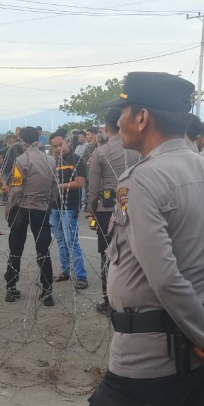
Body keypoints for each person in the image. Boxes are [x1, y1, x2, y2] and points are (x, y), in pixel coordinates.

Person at [88, 72, 204, 406]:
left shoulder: (140, 181)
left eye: (122, 111)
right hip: (199, 356)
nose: (117, 121)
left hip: (146, 361)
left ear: (142, 117)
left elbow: (164, 278)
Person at [88, 108, 140, 316]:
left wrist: (91, 210)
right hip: (134, 205)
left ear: (107, 127)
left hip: (107, 209)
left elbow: (93, 188)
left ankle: (109, 300)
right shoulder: (138, 150)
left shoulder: (100, 152)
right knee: (136, 253)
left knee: (107, 256)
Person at [4, 126, 58, 305]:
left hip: (22, 208)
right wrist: (47, 203)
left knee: (15, 250)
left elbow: (16, 188)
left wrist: (9, 209)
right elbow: (54, 189)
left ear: (22, 141)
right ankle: (47, 292)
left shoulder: (21, 160)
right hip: (41, 210)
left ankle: (11, 288)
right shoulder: (50, 160)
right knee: (43, 251)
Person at [48, 129, 88, 290]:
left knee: (71, 240)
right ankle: (65, 270)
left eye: (60, 145)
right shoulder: (53, 161)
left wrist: (58, 187)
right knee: (60, 240)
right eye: (54, 147)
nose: (58, 149)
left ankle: (81, 276)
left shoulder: (77, 160)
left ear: (67, 142)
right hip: (54, 207)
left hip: (70, 206)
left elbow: (80, 183)